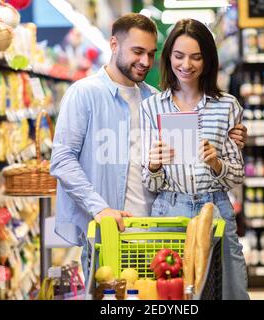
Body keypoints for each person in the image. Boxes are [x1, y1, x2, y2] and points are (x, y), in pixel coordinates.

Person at [50, 13, 247, 283]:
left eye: (151, 53)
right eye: (137, 51)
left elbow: (182, 159)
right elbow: (61, 159)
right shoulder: (85, 93)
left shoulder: (154, 99)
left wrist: (230, 136)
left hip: (155, 229)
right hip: (111, 230)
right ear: (114, 45)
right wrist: (100, 209)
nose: (145, 61)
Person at [140, 19, 250, 300]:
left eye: (196, 57)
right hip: (170, 208)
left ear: (208, 60)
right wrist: (154, 164)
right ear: (168, 58)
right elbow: (151, 181)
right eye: (178, 56)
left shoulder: (227, 106)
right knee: (172, 295)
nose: (186, 65)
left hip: (216, 207)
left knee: (231, 291)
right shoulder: (152, 107)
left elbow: (236, 176)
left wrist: (215, 163)